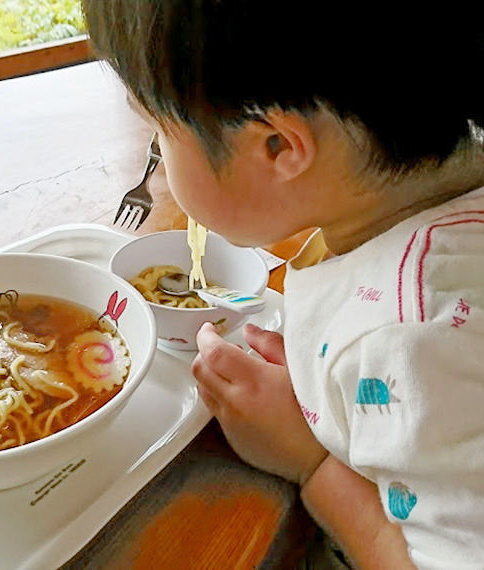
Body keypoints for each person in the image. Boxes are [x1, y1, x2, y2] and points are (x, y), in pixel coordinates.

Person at [82, 2, 484, 568]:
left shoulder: (415, 345)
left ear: (278, 147)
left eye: (160, 137)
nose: (157, 161)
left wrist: (312, 463)